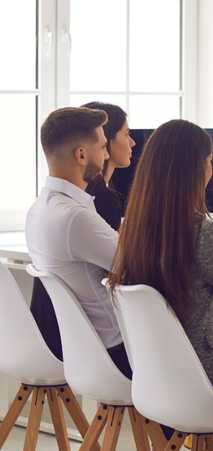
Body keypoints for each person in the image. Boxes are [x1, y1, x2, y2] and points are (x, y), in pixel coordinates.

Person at [107, 119, 213, 451]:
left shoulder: (133, 234)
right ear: (200, 168)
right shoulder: (207, 235)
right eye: (210, 160)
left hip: (160, 383)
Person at [25, 107, 130, 374]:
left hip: (83, 351)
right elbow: (137, 264)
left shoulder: (39, 210)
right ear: (81, 155)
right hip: (114, 356)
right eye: (103, 147)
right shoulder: (75, 218)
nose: (106, 155)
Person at [82, 101, 135, 231]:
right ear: (105, 139)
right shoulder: (103, 199)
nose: (132, 143)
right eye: (126, 134)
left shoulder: (84, 190)